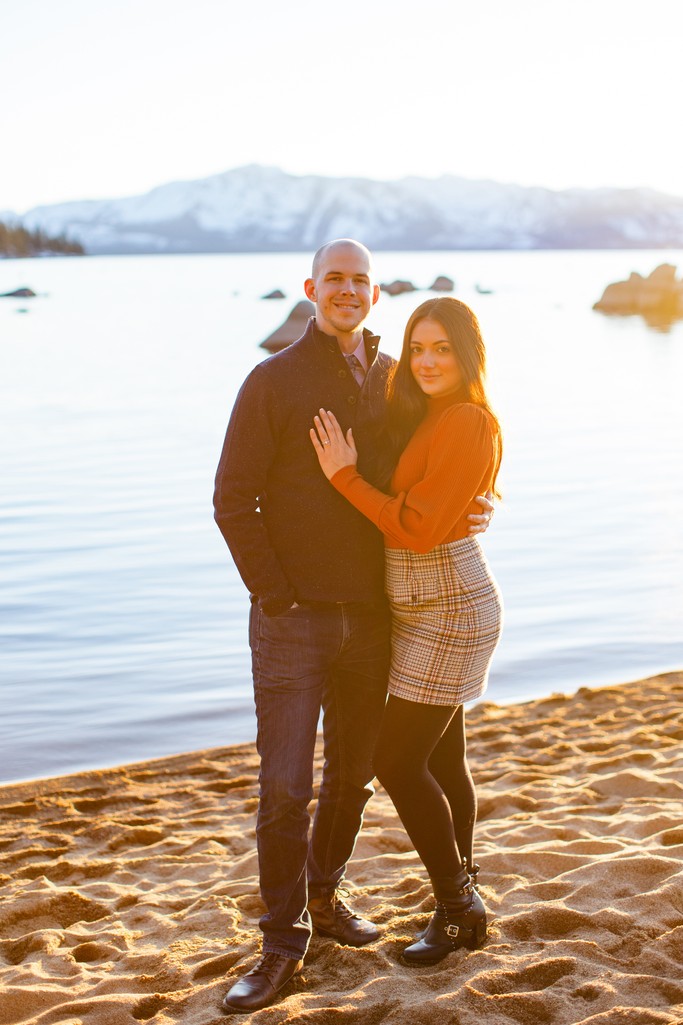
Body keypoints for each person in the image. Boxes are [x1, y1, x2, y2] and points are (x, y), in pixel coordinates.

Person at [213, 241, 493, 1012]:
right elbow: (233, 501)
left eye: (360, 281)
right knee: (285, 786)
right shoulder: (270, 381)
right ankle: (279, 945)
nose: (347, 290)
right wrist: (275, 596)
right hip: (293, 620)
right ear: (310, 288)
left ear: (375, 295)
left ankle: (326, 899)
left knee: (353, 778)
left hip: (380, 616)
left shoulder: (393, 379)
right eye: (333, 278)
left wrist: (479, 500)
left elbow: (449, 445)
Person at [310, 295, 502, 965]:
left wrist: (343, 476)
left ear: (465, 353)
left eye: (441, 348)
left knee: (394, 760)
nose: (425, 360)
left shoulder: (467, 418)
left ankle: (456, 906)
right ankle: (461, 894)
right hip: (421, 602)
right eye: (418, 347)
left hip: (447, 606)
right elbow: (439, 501)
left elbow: (415, 526)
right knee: (442, 760)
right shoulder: (429, 413)